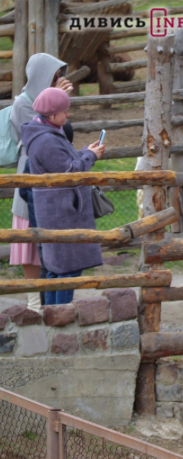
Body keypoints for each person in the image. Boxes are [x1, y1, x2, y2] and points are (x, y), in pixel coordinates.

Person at [21, 88, 104, 305]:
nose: (67, 115)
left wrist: (85, 151)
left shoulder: (47, 132)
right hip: (62, 213)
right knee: (68, 270)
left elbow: (62, 163)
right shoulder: (46, 140)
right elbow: (69, 173)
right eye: (64, 111)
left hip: (58, 211)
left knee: (57, 271)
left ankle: (52, 317)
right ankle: (60, 318)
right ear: (52, 113)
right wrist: (90, 156)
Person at [9, 54, 73, 311]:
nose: (58, 79)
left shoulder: (54, 103)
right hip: (30, 180)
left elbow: (65, 132)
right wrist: (53, 98)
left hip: (51, 184)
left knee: (50, 246)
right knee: (30, 246)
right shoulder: (23, 104)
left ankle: (49, 303)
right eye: (54, 75)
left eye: (59, 75)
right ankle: (34, 303)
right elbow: (41, 133)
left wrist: (60, 103)